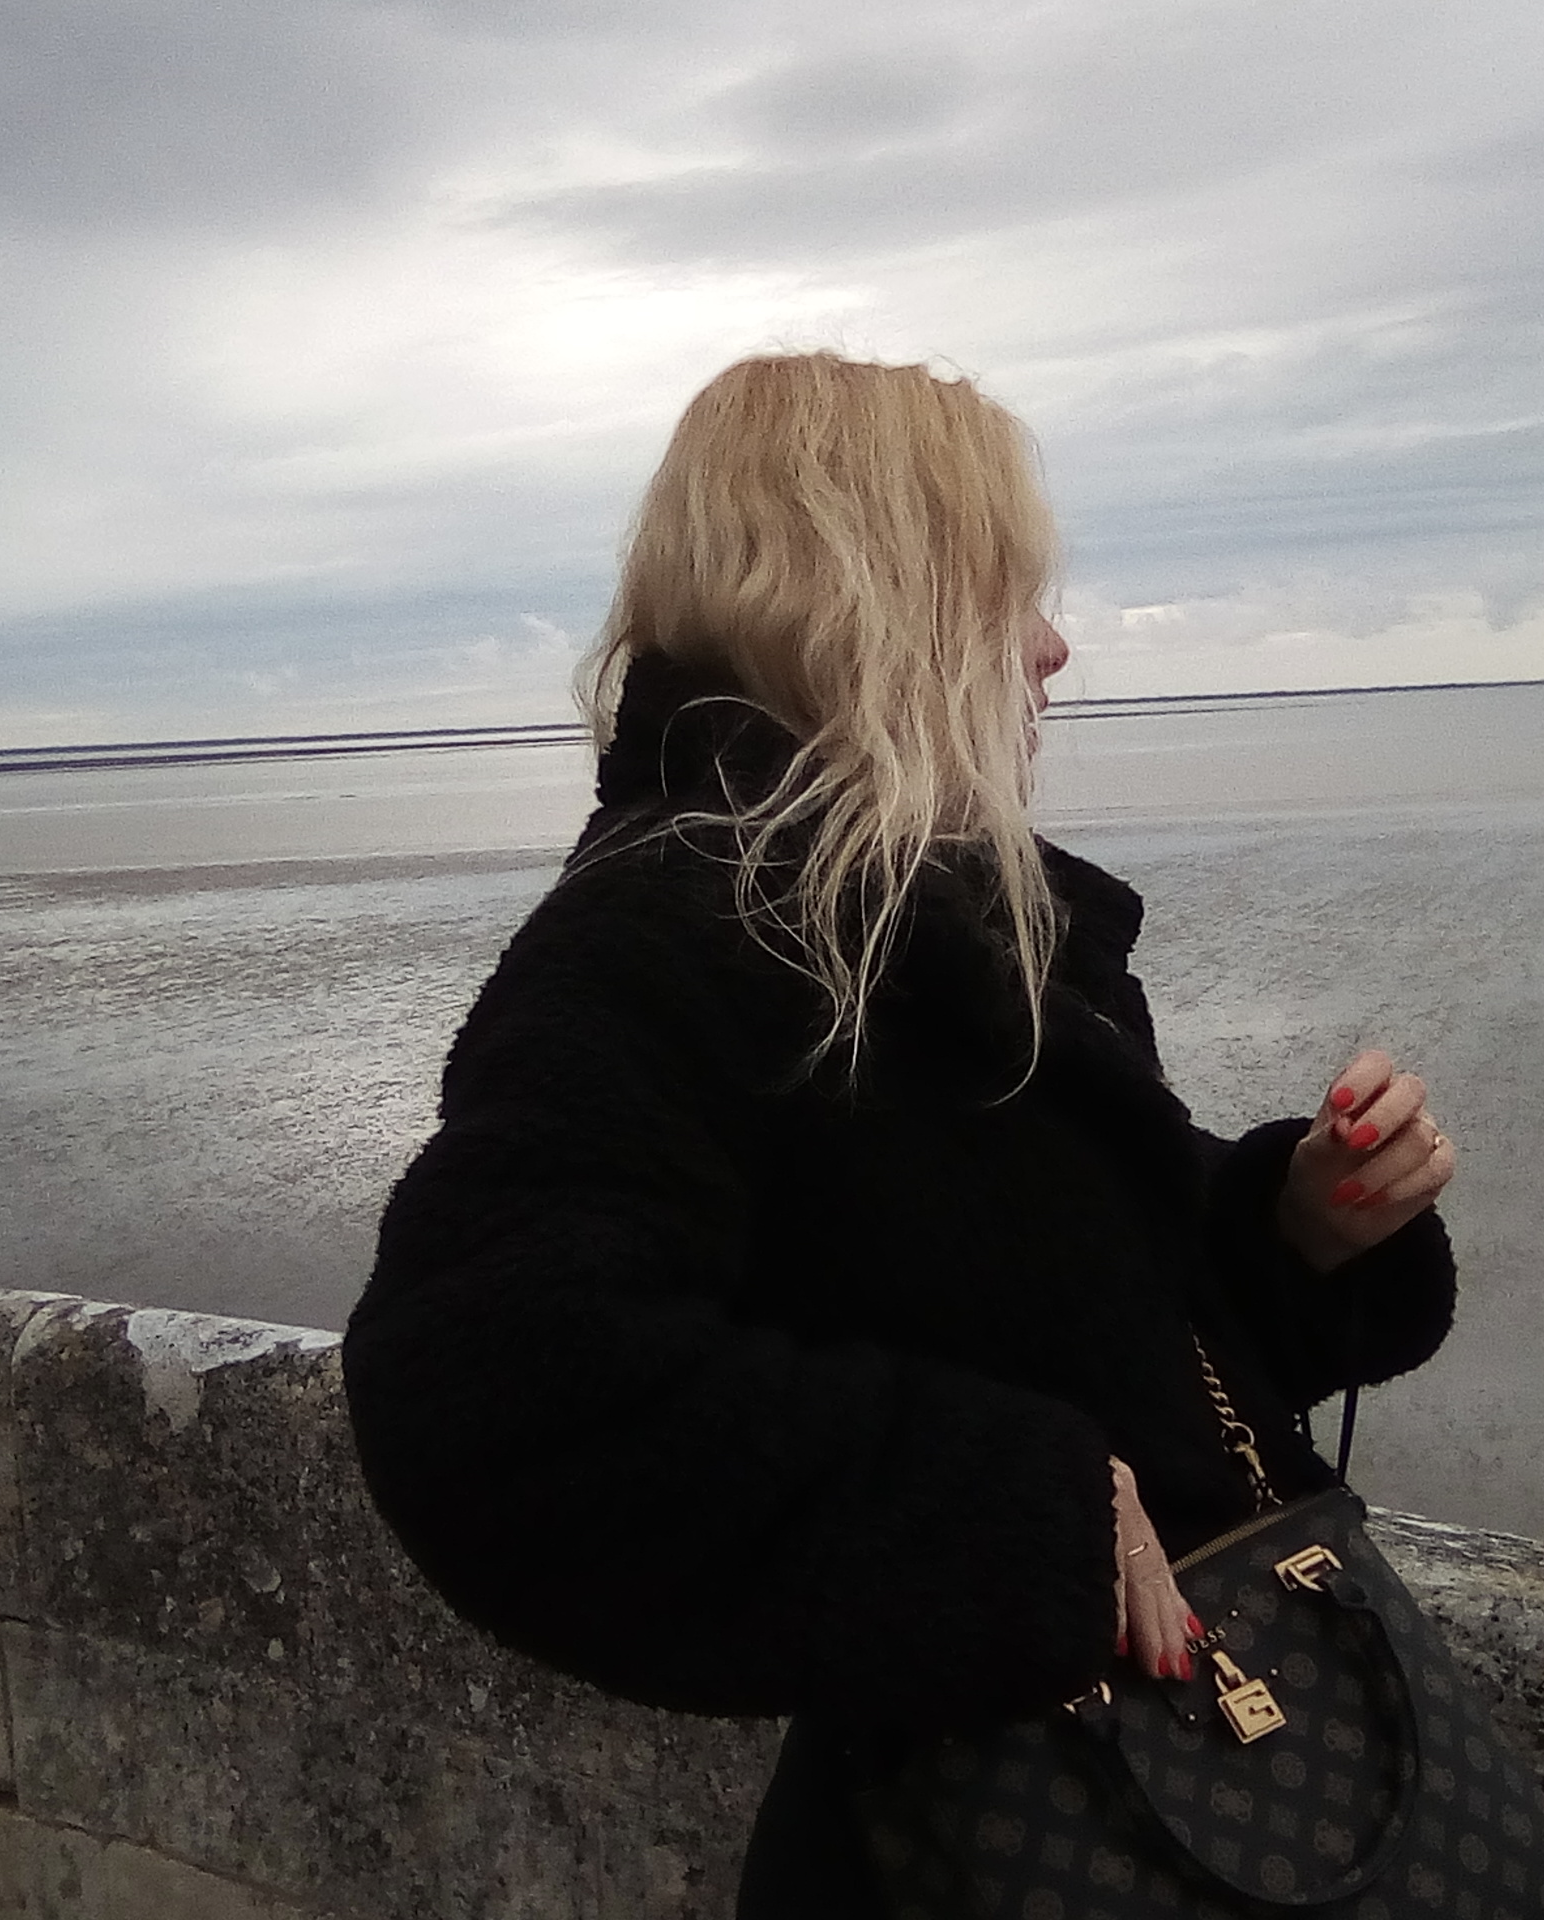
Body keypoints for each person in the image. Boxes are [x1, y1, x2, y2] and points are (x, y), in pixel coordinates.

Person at [341, 351, 1461, 1918]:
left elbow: (1058, 1299)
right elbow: (491, 1397)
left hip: (1185, 1797)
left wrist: (1298, 1227)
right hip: (1004, 1846)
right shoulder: (669, 933)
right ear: (866, 601)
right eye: (1008, 596)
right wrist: (1010, 1517)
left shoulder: (918, 913)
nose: (1054, 649)